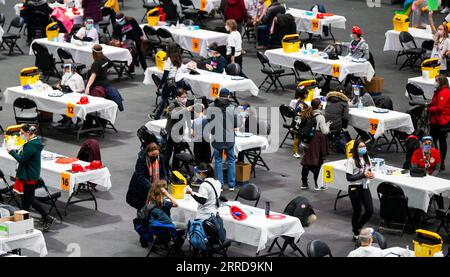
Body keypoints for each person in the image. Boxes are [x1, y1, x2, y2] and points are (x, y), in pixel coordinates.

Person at [7, 125, 56, 232]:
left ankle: (47, 218)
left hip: (28, 175)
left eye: (22, 133)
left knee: (30, 199)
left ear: (28, 133)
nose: (21, 135)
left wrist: (11, 152)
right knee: (25, 198)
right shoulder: (35, 142)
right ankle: (24, 221)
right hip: (31, 174)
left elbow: (22, 160)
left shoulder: (30, 145)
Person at [206, 88, 239, 191]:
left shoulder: (211, 106)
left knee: (218, 161)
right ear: (228, 96)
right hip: (229, 138)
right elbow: (236, 124)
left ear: (219, 95)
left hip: (217, 137)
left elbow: (208, 121)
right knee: (231, 160)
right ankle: (231, 185)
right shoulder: (232, 108)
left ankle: (219, 184)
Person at [346, 139, 374, 240]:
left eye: (364, 146)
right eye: (360, 147)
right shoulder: (351, 160)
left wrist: (370, 174)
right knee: (357, 211)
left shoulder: (367, 158)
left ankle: (358, 228)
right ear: (356, 149)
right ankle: (355, 232)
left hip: (365, 186)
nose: (363, 148)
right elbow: (349, 178)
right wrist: (363, 175)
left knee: (370, 210)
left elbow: (368, 170)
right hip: (355, 188)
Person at [126, 143, 167, 211]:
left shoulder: (161, 158)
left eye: (156, 154)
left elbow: (164, 173)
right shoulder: (141, 159)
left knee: (155, 208)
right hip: (142, 189)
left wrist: (164, 184)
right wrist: (151, 187)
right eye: (153, 155)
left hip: (156, 189)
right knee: (143, 209)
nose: (155, 156)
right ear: (148, 153)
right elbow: (140, 176)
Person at [300, 98, 330, 191]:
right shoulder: (320, 116)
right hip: (316, 142)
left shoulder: (307, 113)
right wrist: (328, 125)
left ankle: (304, 183)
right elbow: (325, 131)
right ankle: (318, 184)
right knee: (318, 163)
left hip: (307, 141)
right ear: (319, 106)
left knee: (306, 161)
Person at [163, 89, 194, 172]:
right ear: (177, 97)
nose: (185, 99)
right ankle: (164, 170)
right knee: (168, 152)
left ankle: (175, 170)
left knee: (177, 152)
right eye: (183, 97)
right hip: (172, 132)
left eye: (186, 97)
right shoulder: (172, 104)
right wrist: (186, 110)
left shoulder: (185, 104)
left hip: (180, 131)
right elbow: (173, 115)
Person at [154, 43, 185, 120]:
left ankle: (157, 116)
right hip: (180, 80)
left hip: (171, 81)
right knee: (177, 98)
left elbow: (165, 75)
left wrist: (160, 85)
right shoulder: (179, 57)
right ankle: (178, 116)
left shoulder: (168, 60)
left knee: (164, 98)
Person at [428, 74, 450, 171]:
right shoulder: (439, 91)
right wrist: (430, 104)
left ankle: (440, 162)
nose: (435, 82)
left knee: (440, 141)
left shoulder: (444, 93)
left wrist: (429, 109)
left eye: (437, 80)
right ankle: (438, 161)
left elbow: (440, 108)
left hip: (441, 121)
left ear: (442, 82)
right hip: (436, 120)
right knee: (435, 141)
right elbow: (435, 103)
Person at [290, 86, 309, 159]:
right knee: (296, 139)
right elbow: (297, 113)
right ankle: (295, 152)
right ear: (305, 95)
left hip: (298, 123)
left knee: (299, 138)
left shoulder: (299, 102)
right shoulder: (302, 104)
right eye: (307, 94)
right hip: (298, 124)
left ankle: (301, 150)